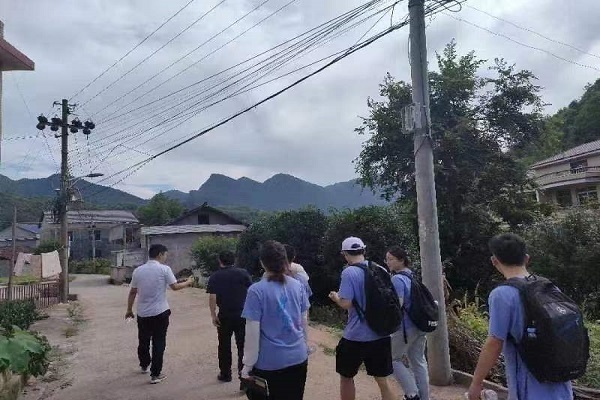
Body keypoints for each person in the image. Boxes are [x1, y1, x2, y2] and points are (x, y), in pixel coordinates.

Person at [467, 233, 574, 400]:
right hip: (560, 381)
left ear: (494, 261)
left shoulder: (502, 294)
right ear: (527, 258)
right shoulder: (550, 287)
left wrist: (476, 383)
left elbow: (494, 342)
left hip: (530, 384)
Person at [241, 240, 310, 400]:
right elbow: (304, 322)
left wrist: (247, 365)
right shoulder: (297, 286)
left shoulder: (256, 291)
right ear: (285, 260)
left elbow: (252, 333)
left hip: (269, 364)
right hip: (299, 358)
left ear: (262, 262)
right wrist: (304, 346)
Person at [328, 237, 394, 400]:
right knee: (382, 381)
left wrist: (336, 298)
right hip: (381, 333)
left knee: (346, 377)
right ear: (363, 250)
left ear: (345, 254)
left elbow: (346, 303)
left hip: (355, 336)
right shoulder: (380, 269)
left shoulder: (349, 272)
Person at [125, 244, 193, 384]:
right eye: (165, 255)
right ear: (160, 254)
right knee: (159, 342)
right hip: (160, 312)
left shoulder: (138, 271)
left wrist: (129, 309)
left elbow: (132, 292)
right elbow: (175, 287)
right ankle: (155, 374)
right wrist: (188, 282)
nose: (166, 257)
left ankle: (144, 365)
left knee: (143, 340)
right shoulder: (164, 269)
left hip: (143, 313)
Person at [386, 246, 429, 400]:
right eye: (387, 259)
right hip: (420, 326)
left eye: (391, 259)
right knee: (418, 362)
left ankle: (412, 394)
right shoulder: (412, 275)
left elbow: (397, 306)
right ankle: (424, 397)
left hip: (405, 328)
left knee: (393, 359)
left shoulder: (397, 279)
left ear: (401, 260)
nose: (387, 262)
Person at [207, 250, 252, 388]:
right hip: (242, 314)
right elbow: (251, 291)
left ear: (220, 261)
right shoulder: (243, 273)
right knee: (243, 346)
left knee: (224, 345)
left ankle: (225, 374)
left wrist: (213, 315)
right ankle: (244, 378)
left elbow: (212, 297)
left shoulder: (215, 276)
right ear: (234, 260)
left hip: (224, 315)